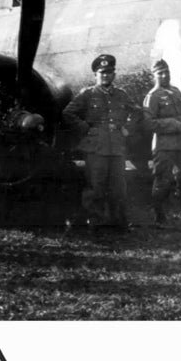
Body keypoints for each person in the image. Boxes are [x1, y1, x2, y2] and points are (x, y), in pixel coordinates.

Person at [62, 54, 141, 232]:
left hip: (117, 147)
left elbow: (137, 112)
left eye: (109, 72)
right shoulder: (88, 95)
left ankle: (118, 222)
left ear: (114, 74)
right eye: (102, 73)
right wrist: (85, 128)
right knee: (95, 187)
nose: (105, 76)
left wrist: (127, 128)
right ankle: (95, 222)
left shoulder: (121, 95)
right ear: (95, 75)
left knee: (118, 187)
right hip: (96, 148)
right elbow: (68, 113)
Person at [144, 59, 181, 228]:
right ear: (153, 75)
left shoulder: (176, 92)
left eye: (166, 72)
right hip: (164, 146)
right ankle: (160, 218)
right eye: (160, 73)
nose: (164, 75)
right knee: (163, 181)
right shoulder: (152, 97)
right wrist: (173, 123)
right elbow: (148, 124)